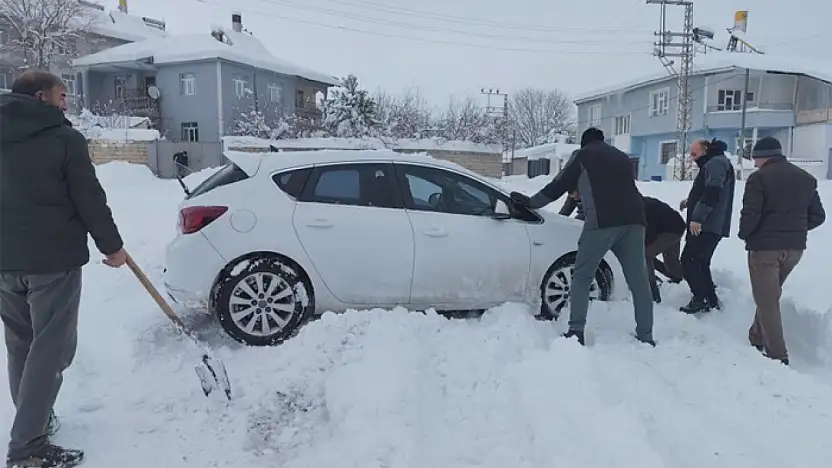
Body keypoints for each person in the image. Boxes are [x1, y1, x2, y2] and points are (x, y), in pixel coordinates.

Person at [0, 70, 127, 468]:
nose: (66, 103)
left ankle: (34, 419)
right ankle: (27, 448)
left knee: (22, 344)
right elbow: (89, 197)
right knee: (50, 353)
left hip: (5, 263)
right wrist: (113, 247)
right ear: (42, 97)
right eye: (62, 95)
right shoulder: (64, 139)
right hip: (52, 262)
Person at [510, 127, 655, 347]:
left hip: (602, 222)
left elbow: (558, 186)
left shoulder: (583, 155)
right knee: (638, 281)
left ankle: (576, 331)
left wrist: (530, 203)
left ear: (584, 143)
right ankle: (646, 336)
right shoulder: (621, 157)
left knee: (582, 275)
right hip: (635, 221)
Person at [738, 136, 825, 366]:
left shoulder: (759, 179)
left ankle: (778, 354)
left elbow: (751, 214)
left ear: (763, 157)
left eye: (755, 159)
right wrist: (793, 229)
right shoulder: (806, 179)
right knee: (769, 295)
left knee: (768, 300)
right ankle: (756, 335)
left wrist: (745, 233)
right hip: (795, 249)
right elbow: (818, 216)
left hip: (765, 249)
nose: (754, 164)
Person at [678, 138, 735, 314]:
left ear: (705, 150)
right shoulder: (716, 162)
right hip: (711, 223)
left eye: (694, 153)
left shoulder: (716, 163)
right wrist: (691, 201)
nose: (692, 157)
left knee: (689, 261)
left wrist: (698, 218)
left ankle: (700, 298)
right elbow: (709, 190)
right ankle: (710, 299)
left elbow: (713, 191)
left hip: (707, 225)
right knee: (701, 262)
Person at [643, 195, 686, 304]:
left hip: (671, 229)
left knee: (645, 255)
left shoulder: (643, 209)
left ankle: (652, 293)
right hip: (675, 225)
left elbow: (650, 231)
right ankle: (692, 280)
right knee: (671, 264)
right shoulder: (642, 203)